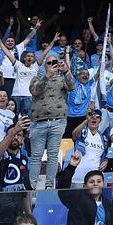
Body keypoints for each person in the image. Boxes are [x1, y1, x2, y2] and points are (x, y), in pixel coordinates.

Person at [27, 52, 75, 190]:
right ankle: (31, 187)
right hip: (38, 122)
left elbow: (72, 86)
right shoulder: (36, 78)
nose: (52, 65)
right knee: (36, 156)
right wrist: (47, 76)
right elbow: (35, 91)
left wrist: (66, 71)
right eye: (49, 63)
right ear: (45, 65)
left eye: (55, 63)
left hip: (58, 121)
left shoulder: (62, 79)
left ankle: (49, 186)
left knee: (53, 155)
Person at [69, 108, 110, 189]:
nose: (94, 118)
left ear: (100, 120)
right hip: (78, 177)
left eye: (97, 117)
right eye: (91, 116)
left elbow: (104, 155)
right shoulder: (82, 132)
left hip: (94, 179)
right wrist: (86, 120)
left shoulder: (103, 138)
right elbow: (74, 134)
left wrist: (106, 160)